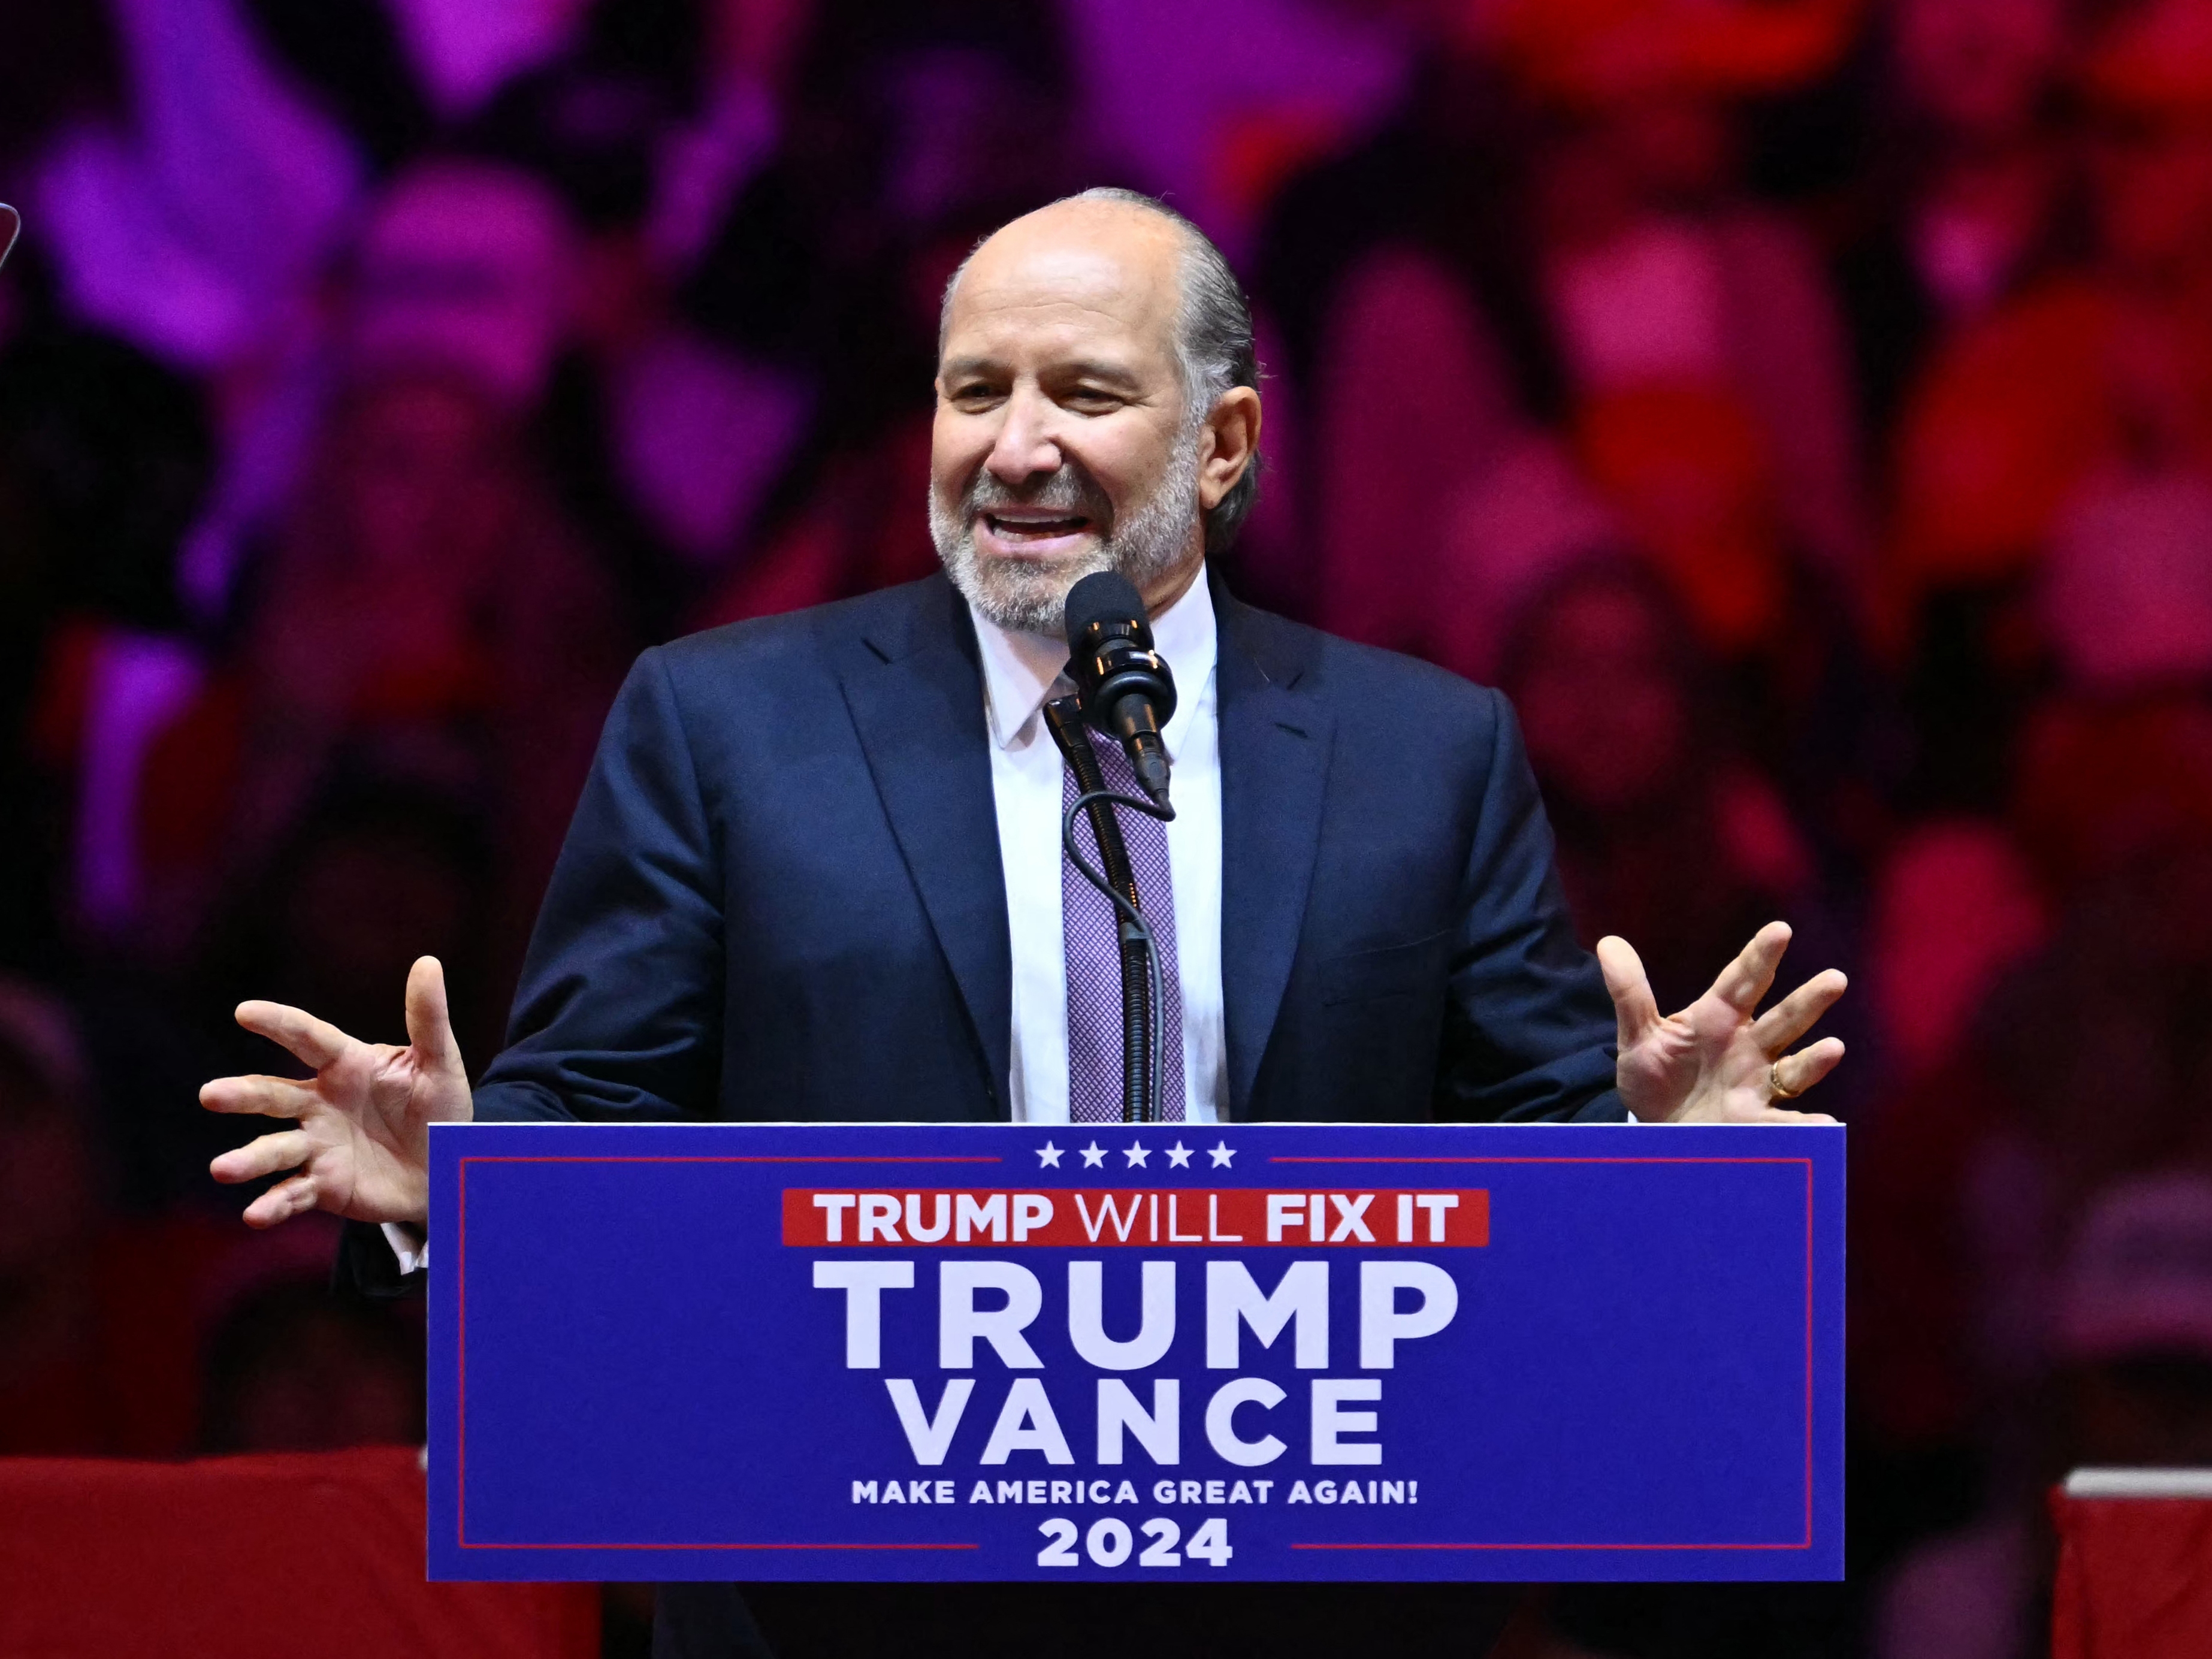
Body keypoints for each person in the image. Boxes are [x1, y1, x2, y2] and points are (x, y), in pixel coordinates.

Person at [199, 188, 1848, 1659]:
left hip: (1304, 1611)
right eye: (973, 389)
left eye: (1085, 391)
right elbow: (608, 1108)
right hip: (843, 1608)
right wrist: (466, 1173)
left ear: (1223, 443)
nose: (1013, 443)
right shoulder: (725, 725)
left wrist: (1655, 1168)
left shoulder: (1420, 754)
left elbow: (1516, 1167)